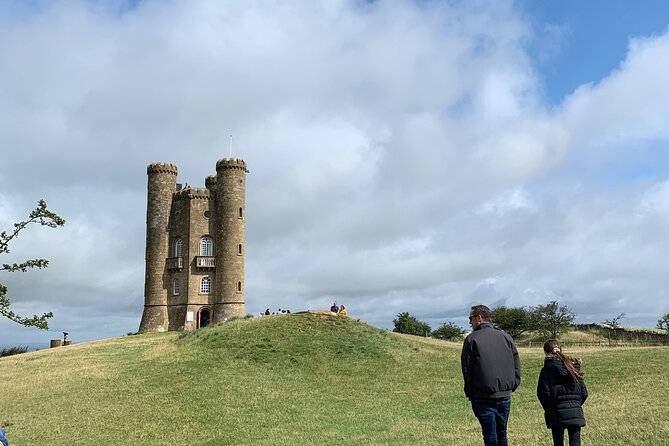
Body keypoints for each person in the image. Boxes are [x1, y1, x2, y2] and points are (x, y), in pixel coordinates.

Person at [461, 304, 521, 446]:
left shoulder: (471, 340)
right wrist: (513, 384)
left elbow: (467, 370)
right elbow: (516, 364)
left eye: (471, 318)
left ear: (479, 318)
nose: (470, 322)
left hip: (482, 396)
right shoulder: (506, 337)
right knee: (502, 433)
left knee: (490, 435)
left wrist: (470, 392)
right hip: (505, 394)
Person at [537, 339, 588, 446]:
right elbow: (584, 393)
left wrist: (550, 409)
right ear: (561, 349)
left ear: (545, 352)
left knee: (558, 442)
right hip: (575, 411)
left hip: (556, 412)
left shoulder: (546, 370)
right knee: (575, 442)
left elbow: (543, 394)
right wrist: (576, 405)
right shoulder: (573, 368)